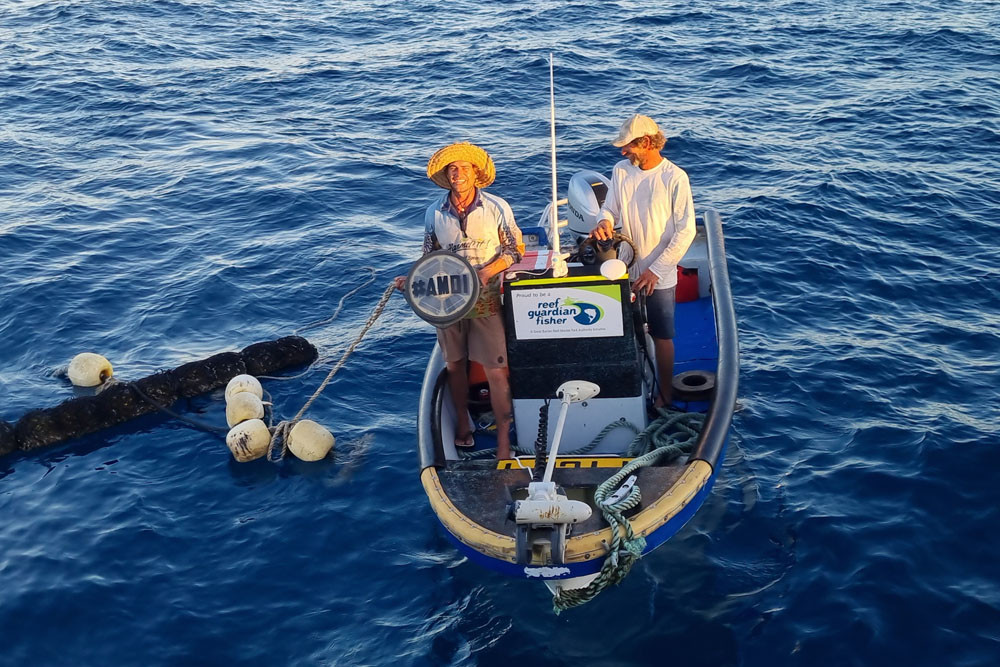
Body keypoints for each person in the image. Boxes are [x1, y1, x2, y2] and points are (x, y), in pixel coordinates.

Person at [395, 142, 523, 459]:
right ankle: (463, 426)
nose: (458, 173)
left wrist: (488, 271)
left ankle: (504, 442)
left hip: (487, 298)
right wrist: (410, 281)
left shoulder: (497, 208)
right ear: (446, 176)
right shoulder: (434, 213)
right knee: (455, 366)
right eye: (452, 169)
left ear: (476, 173)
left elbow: (514, 250)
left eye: (464, 168)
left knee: (496, 369)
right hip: (448, 299)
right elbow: (429, 258)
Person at [590, 114, 696, 406]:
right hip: (626, 266)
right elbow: (609, 208)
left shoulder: (675, 178)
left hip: (659, 273)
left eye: (628, 146)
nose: (623, 151)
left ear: (647, 143)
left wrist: (656, 271)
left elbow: (685, 231)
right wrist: (604, 221)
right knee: (624, 330)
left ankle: (664, 393)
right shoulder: (621, 171)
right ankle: (630, 386)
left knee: (662, 335)